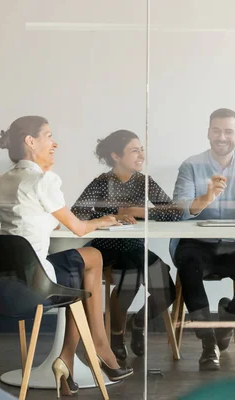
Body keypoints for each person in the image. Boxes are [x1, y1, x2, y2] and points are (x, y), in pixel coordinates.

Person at [0, 116, 133, 397]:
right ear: (31, 142)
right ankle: (94, 348)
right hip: (37, 281)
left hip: (6, 279)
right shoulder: (43, 180)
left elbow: (43, 222)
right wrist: (104, 220)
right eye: (48, 136)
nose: (54, 143)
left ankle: (69, 357)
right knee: (91, 258)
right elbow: (79, 228)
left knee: (85, 264)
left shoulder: (3, 180)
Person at [172, 108, 235, 371]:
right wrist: (206, 198)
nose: (222, 136)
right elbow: (179, 209)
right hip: (194, 244)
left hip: (232, 244)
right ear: (208, 133)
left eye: (228, 131)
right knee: (190, 271)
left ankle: (226, 321)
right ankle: (208, 344)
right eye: (216, 130)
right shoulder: (191, 165)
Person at [72, 129, 181, 361]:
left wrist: (136, 211)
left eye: (141, 149)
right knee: (128, 280)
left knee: (167, 290)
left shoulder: (144, 181)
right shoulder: (102, 182)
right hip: (107, 248)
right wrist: (111, 217)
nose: (141, 155)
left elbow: (172, 213)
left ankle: (138, 323)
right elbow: (77, 212)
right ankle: (116, 334)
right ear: (116, 156)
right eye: (134, 150)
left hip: (135, 247)